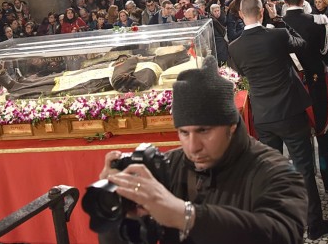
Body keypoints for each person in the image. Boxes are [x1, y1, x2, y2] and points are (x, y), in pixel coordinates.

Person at [99, 57, 310, 243]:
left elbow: (284, 234)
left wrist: (186, 216)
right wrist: (116, 213)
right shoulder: (169, 165)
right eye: (184, 133)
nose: (193, 147)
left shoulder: (276, 171)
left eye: (203, 130)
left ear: (231, 125)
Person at [228, 0, 328, 239]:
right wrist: (279, 21)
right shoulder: (276, 35)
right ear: (262, 12)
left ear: (240, 15)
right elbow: (302, 44)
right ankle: (314, 224)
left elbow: (241, 71)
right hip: (290, 112)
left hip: (264, 116)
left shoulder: (234, 46)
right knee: (303, 170)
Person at [274, 0, 328, 193]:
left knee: (296, 140)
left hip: (289, 87)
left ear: (284, 1)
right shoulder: (319, 21)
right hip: (315, 83)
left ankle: (304, 183)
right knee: (323, 133)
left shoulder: (276, 26)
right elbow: (327, 55)